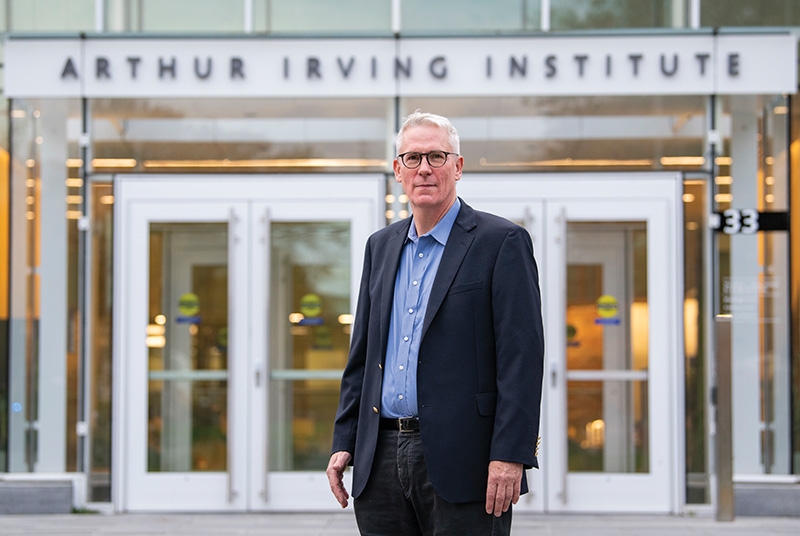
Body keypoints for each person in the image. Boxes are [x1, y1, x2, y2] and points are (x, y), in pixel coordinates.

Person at [326, 111, 544, 536]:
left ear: (458, 167)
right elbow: (364, 356)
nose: (423, 168)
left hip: (467, 460)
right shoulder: (381, 247)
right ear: (397, 171)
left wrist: (510, 454)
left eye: (436, 156)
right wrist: (345, 440)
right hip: (380, 459)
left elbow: (522, 358)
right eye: (412, 158)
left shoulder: (501, 242)